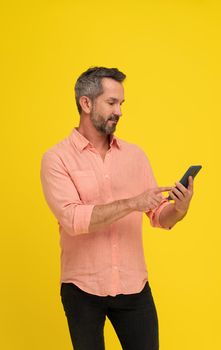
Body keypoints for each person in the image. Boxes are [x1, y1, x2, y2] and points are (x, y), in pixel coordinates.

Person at [40, 66, 194, 350]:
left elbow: (160, 216)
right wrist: (132, 203)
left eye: (121, 103)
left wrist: (180, 209)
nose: (119, 111)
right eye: (111, 103)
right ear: (86, 104)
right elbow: (73, 219)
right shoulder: (56, 159)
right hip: (82, 289)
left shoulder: (135, 156)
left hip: (134, 286)